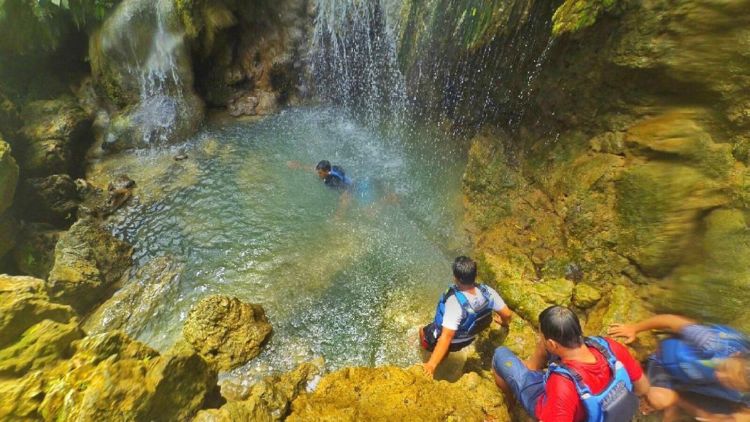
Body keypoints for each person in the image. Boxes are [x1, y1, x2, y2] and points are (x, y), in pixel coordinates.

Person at [492, 305, 650, 422]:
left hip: (557, 399)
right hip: (602, 408)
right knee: (543, 347)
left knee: (500, 354)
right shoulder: (608, 346)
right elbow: (643, 387)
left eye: (542, 335)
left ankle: (511, 399)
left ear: (554, 344)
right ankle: (533, 367)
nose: (541, 339)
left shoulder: (561, 384)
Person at [609, 314, 750, 421]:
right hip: (663, 362)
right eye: (725, 369)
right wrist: (634, 328)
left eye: (731, 383)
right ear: (735, 354)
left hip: (691, 381)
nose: (721, 376)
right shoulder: (711, 343)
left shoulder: (743, 391)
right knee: (661, 400)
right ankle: (670, 400)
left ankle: (676, 402)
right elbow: (671, 320)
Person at [420, 256, 512, 377]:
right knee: (446, 341)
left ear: (455, 278)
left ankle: (430, 352)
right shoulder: (487, 291)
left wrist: (431, 365)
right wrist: (504, 323)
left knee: (422, 331)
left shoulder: (455, 302)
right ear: (475, 275)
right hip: (467, 339)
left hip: (451, 341)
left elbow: (446, 337)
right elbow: (507, 314)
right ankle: (443, 355)